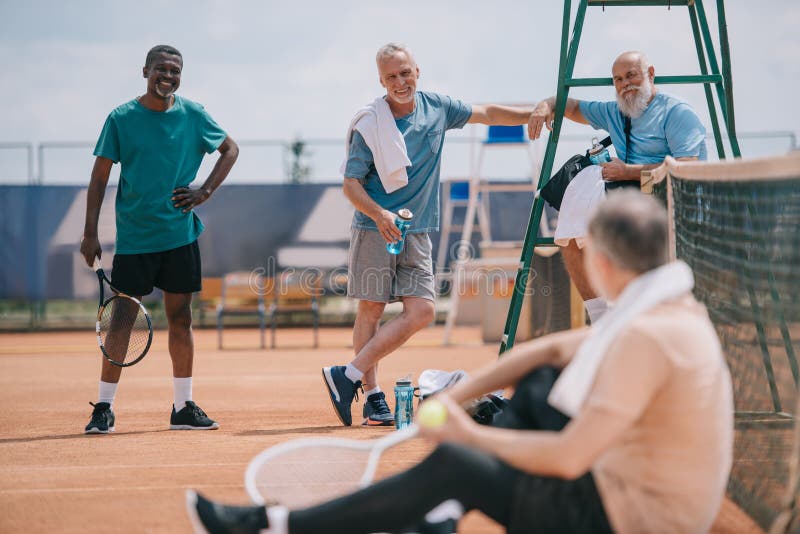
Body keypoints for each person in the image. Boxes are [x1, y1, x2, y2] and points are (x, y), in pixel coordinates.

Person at [186, 190, 734, 534]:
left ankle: (272, 525)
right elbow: (547, 352)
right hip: (626, 487)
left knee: (457, 466)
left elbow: (569, 458)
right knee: (541, 381)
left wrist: (465, 435)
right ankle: (440, 514)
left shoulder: (647, 336)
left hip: (628, 519)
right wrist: (456, 397)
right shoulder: (663, 304)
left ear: (605, 261)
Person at [324, 43, 537, 427]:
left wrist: (536, 111)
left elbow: (488, 113)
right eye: (391, 76)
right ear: (381, 81)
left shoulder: (437, 107)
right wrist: (379, 213)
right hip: (376, 227)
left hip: (417, 230)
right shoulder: (371, 123)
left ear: (417, 71)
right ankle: (372, 396)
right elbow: (350, 185)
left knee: (421, 311)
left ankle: (348, 374)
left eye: (405, 73)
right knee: (371, 310)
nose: (400, 82)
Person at [80, 45, 239, 434]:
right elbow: (99, 177)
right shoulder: (121, 118)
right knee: (120, 326)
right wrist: (89, 232)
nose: (168, 76)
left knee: (181, 320)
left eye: (175, 70)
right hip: (135, 240)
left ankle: (183, 407)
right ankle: (103, 408)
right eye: (161, 69)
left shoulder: (193, 114)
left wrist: (204, 192)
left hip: (179, 237)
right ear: (145, 71)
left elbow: (230, 149)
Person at [527, 50, 707, 324]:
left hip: (669, 196)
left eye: (631, 75)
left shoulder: (676, 112)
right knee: (571, 235)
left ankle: (644, 316)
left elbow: (687, 168)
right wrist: (545, 105)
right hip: (628, 198)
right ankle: (601, 318)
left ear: (650, 74)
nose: (625, 84)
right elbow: (572, 105)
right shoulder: (615, 111)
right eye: (618, 79)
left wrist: (629, 172)